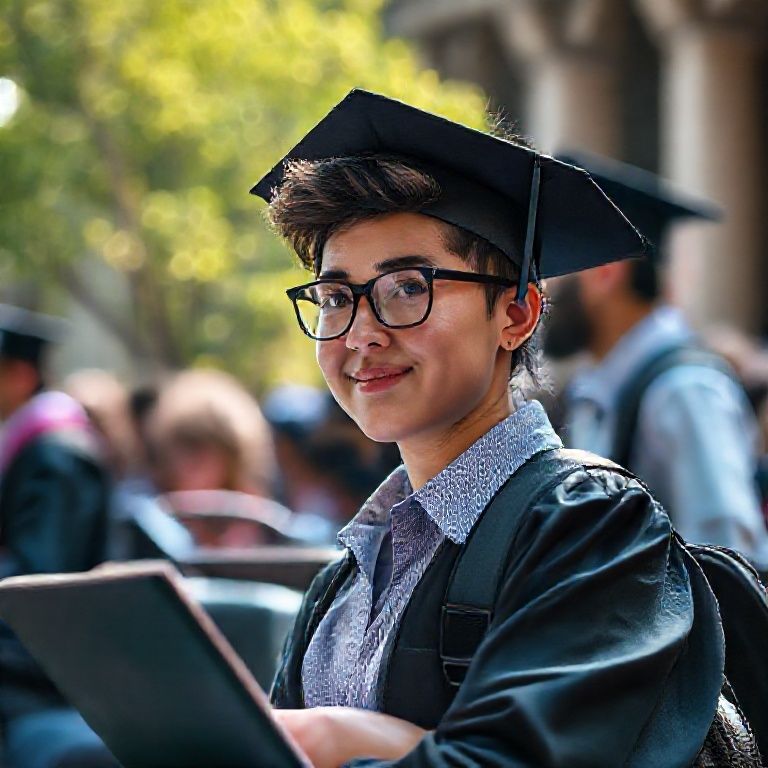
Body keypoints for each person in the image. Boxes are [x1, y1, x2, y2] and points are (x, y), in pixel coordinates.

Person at [249, 90, 755, 766]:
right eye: (337, 297)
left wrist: (349, 741)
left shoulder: (592, 528)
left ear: (516, 315)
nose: (361, 333)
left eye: (407, 287)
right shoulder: (347, 575)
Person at [545, 150, 768, 571]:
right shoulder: (599, 385)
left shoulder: (683, 392)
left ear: (605, 273)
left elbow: (732, 571)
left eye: (558, 268)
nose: (544, 289)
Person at [0, 306, 117, 768]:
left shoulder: (59, 457)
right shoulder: (30, 445)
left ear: (21, 376)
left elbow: (41, 576)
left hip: (52, 663)